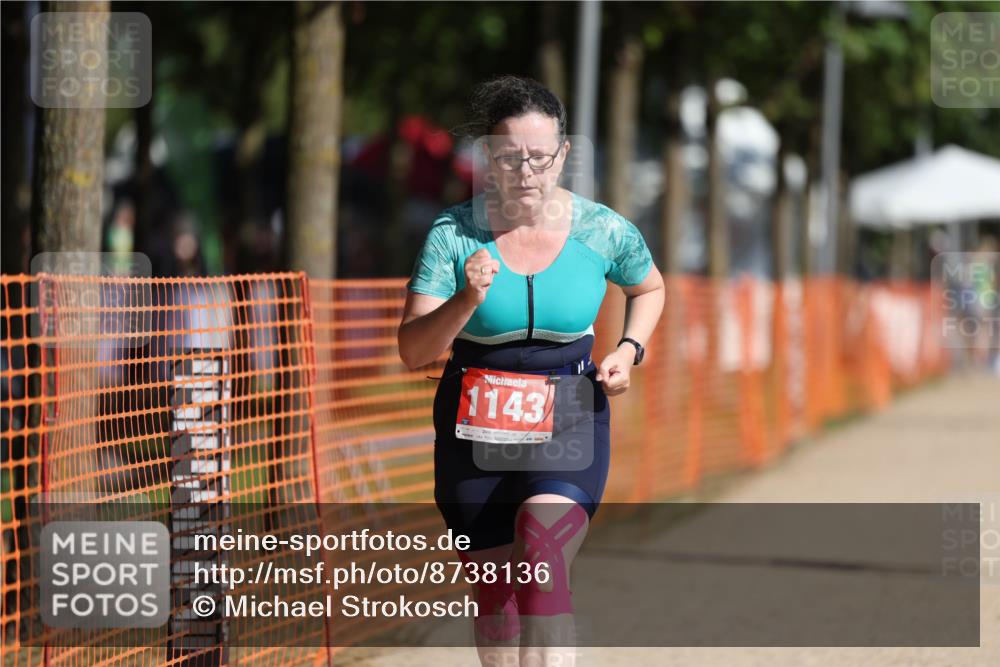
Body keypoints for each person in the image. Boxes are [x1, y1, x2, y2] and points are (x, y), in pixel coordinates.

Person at [397, 75, 664, 665]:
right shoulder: (453, 234)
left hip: (568, 410)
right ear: (488, 159)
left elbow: (649, 286)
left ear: (563, 155)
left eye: (540, 157)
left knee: (543, 562)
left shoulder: (601, 229)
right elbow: (414, 352)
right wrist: (464, 300)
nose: (527, 172)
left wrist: (628, 349)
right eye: (511, 157)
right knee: (495, 599)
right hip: (474, 421)